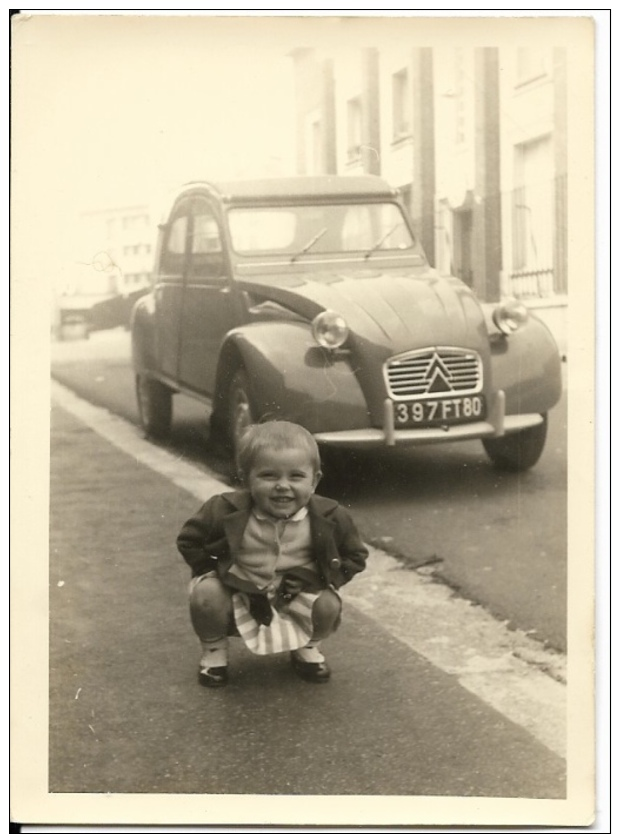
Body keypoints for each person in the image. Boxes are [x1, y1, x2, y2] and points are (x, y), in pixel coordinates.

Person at [177, 420, 368, 687]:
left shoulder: (331, 516)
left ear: (315, 481)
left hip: (296, 590)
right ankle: (213, 652)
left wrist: (319, 576)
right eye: (268, 476)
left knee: (327, 604)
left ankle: (307, 646)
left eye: (296, 476)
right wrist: (217, 572)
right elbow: (190, 540)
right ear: (246, 479)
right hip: (239, 588)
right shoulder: (223, 508)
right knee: (206, 595)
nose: (282, 485)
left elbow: (355, 556)